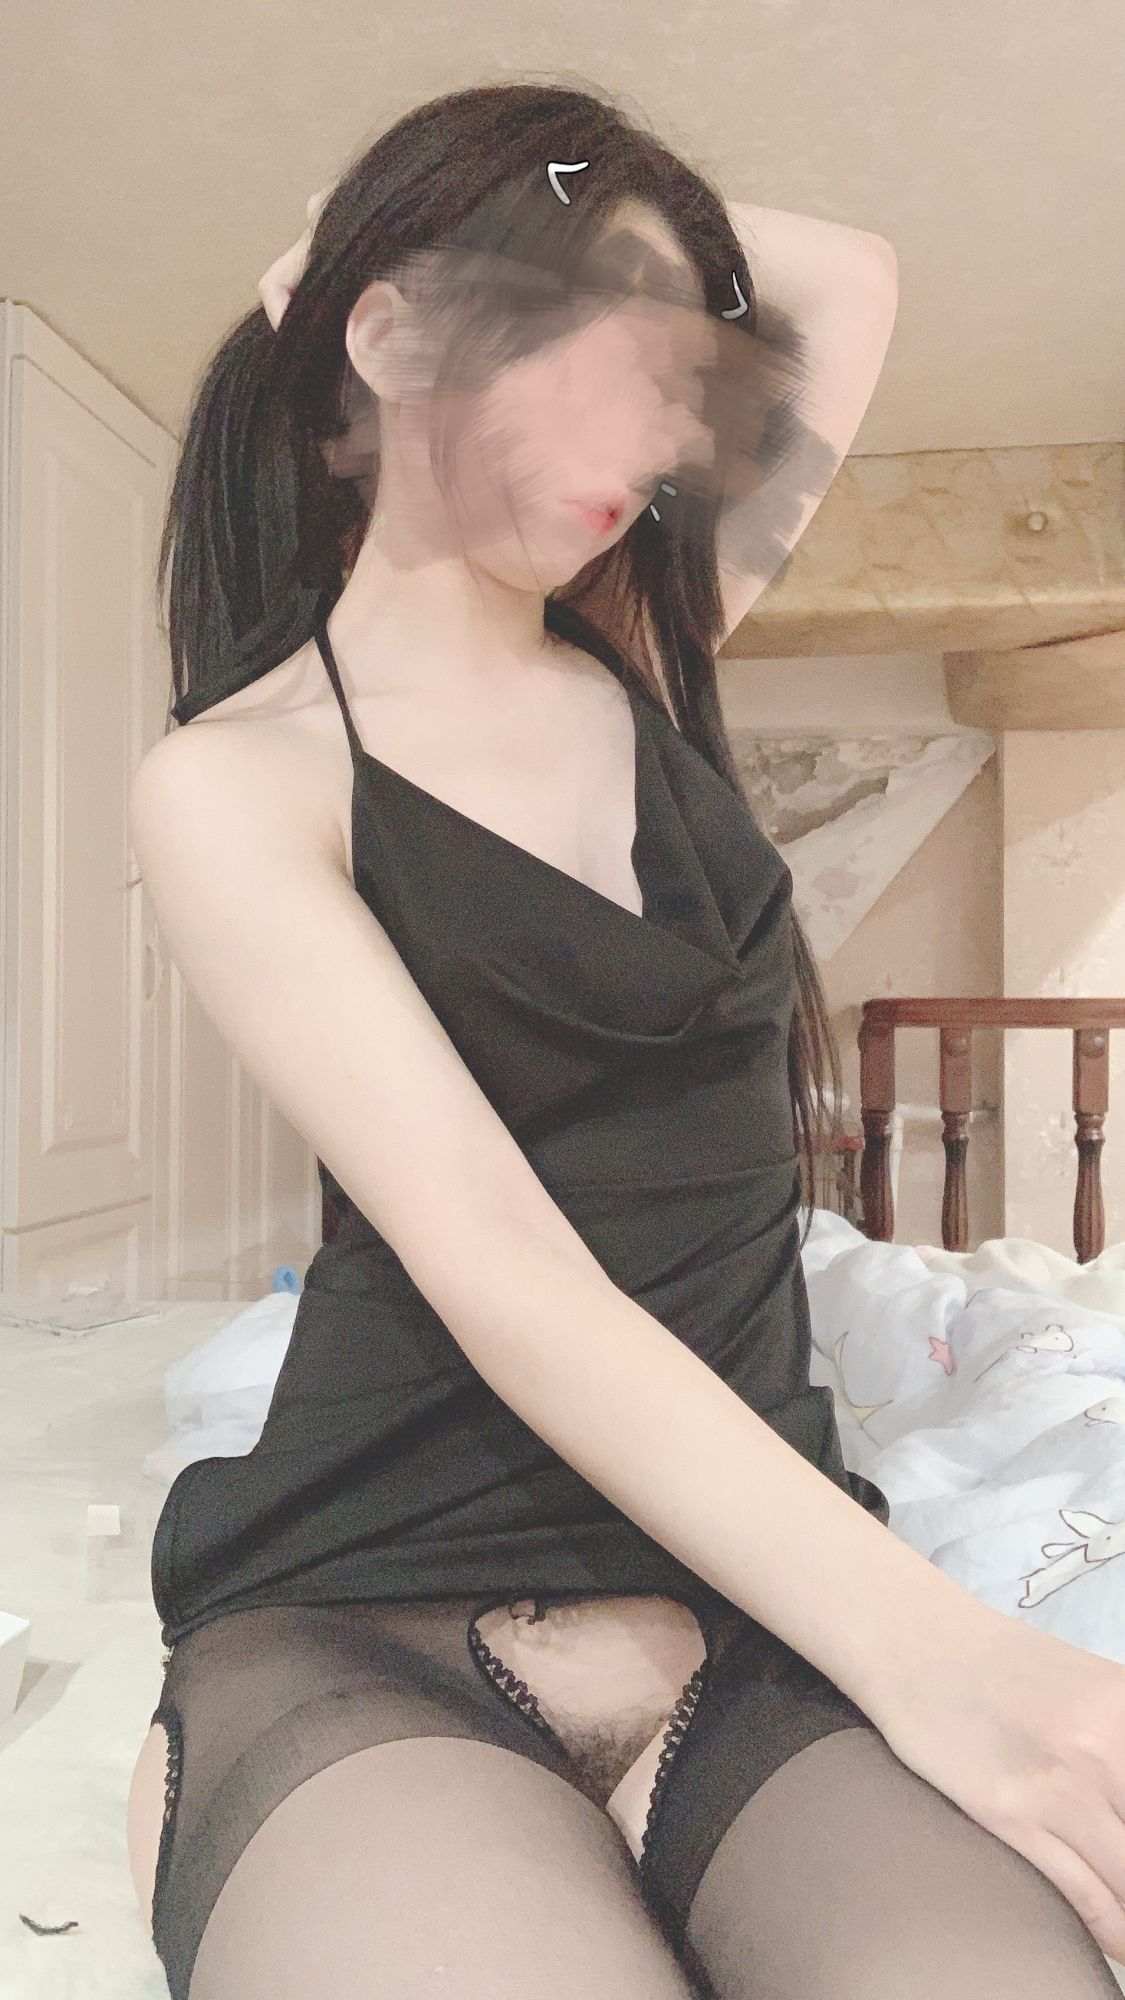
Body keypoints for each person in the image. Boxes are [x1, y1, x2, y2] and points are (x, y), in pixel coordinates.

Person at [125, 77, 1125, 2000]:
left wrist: (454, 234)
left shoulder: (649, 659)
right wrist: (950, 1659)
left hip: (751, 1607)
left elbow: (847, 276)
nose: (658, 435)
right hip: (373, 1599)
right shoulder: (241, 783)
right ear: (388, 339)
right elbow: (508, 1275)